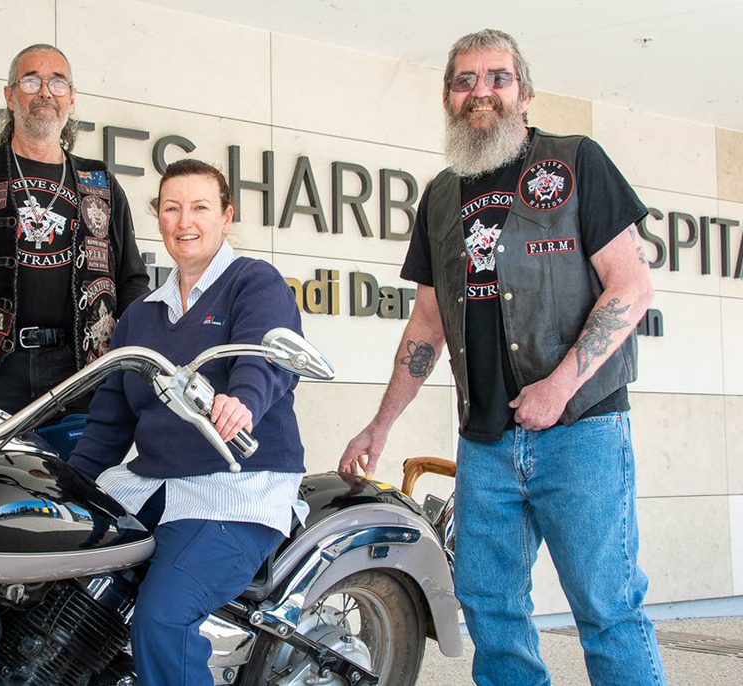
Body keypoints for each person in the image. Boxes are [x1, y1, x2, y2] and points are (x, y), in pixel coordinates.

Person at [337, 29, 666, 686]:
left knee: (606, 609)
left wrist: (560, 388)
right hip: (485, 441)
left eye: (496, 77)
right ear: (448, 96)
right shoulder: (440, 196)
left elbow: (630, 286)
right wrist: (381, 425)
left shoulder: (576, 163)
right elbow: (426, 325)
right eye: (464, 80)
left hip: (583, 433)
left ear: (525, 93)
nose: (479, 91)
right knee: (490, 609)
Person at [68, 159, 307, 685]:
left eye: (200, 207)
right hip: (153, 482)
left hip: (237, 487)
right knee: (56, 571)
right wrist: (69, 486)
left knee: (164, 619)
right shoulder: (141, 315)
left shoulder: (253, 282)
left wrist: (242, 399)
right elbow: (109, 422)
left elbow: (265, 352)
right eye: (172, 208)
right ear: (159, 218)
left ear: (226, 216)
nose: (185, 221)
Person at [0, 43, 149, 414]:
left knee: (77, 472)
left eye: (58, 83)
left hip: (81, 370)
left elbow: (132, 283)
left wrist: (131, 370)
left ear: (72, 98)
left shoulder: (100, 183)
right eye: (31, 80)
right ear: (9, 95)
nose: (45, 91)